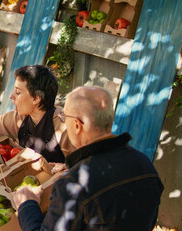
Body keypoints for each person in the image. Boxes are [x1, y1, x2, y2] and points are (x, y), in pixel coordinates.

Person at [12, 86, 164, 230]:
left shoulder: (74, 184)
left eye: (64, 117)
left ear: (77, 125)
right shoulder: (145, 164)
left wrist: (26, 205)